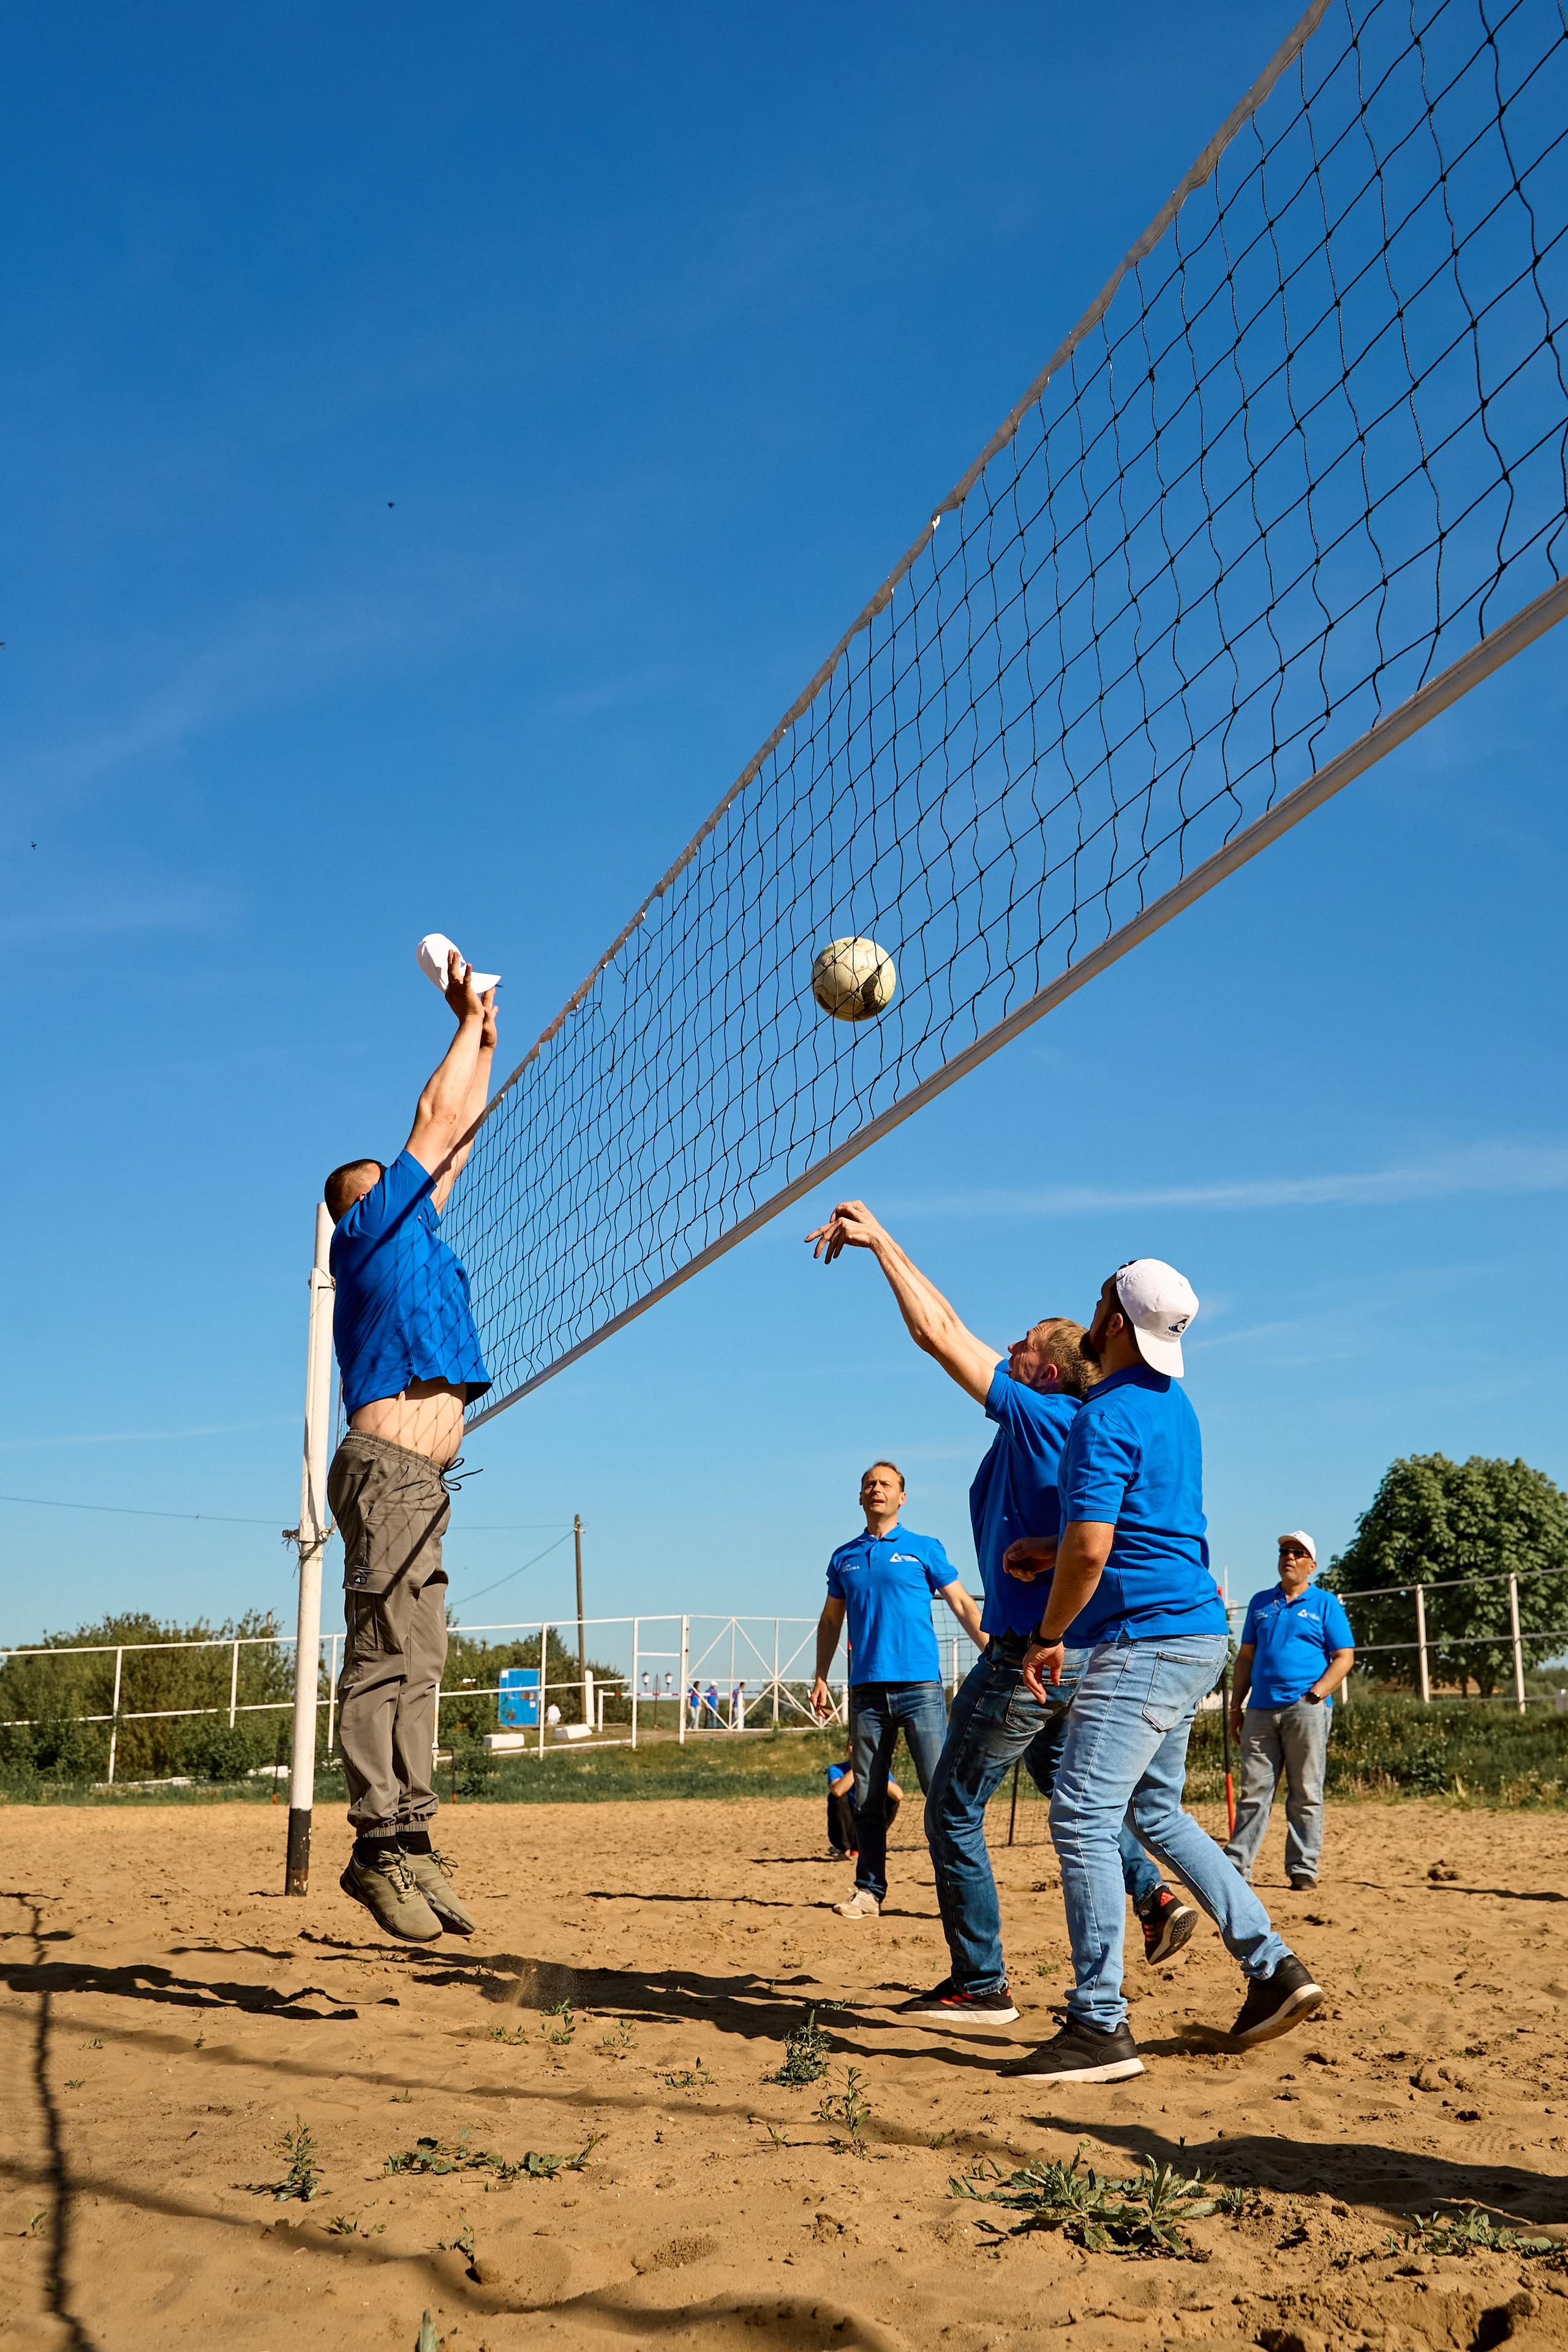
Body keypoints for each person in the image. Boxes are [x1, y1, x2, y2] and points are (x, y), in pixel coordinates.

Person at [806, 1203, 1193, 2027]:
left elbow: (940, 1332)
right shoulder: (1068, 1424)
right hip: (1071, 1650)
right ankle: (1153, 1895)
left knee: (951, 1805)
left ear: (1046, 1370)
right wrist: (1048, 1556)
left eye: (1021, 1343)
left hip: (1031, 1651)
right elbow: (1099, 1533)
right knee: (1060, 1785)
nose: (1007, 1348)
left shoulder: (1039, 1411)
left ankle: (980, 1984)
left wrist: (882, 1243)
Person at [1004, 1261, 1324, 2084]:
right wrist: (1054, 1549)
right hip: (1193, 1632)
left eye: (1102, 1296)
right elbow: (1134, 1528)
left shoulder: (1103, 1414)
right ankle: (1273, 1970)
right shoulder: (1172, 1405)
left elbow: (1094, 1548)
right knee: (1155, 1812)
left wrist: (1049, 1633)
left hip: (1144, 1641)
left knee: (1079, 1810)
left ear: (1111, 1318)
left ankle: (1099, 2024)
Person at [323, 950, 496, 1944]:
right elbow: (435, 1125)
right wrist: (458, 1025)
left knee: (422, 1657)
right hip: (388, 1472)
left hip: (422, 1484)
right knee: (386, 1652)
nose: (419, 1182)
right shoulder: (368, 1227)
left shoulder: (414, 1228)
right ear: (362, 1200)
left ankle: (412, 1837)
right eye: (395, 1180)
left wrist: (482, 1028)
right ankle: (374, 1844)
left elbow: (456, 1134)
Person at [809, 1460, 984, 1920]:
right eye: (869, 1484)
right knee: (866, 1797)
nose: (876, 1489)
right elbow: (831, 1621)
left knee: (941, 1793)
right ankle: (868, 1891)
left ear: (902, 1497)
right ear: (861, 1497)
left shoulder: (924, 1549)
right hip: (866, 1691)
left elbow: (964, 1604)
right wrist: (821, 1676)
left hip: (921, 1689)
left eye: (885, 1484)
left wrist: (996, 1654)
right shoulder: (843, 1557)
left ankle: (958, 1892)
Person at [1225, 1532, 1355, 1893]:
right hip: (1261, 1710)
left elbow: (1344, 1656)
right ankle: (1238, 1864)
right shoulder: (1261, 1603)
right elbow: (1246, 1658)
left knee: (1306, 1791)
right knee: (1254, 1790)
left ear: (1312, 1565)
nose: (1290, 1557)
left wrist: (1317, 1693)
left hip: (1306, 1710)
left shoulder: (1325, 1603)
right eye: (1285, 1551)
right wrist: (1237, 1705)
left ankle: (1302, 1868)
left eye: (1299, 1553)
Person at [826, 1755, 903, 1858]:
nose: (855, 1746)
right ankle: (845, 1848)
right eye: (851, 1744)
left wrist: (875, 1771)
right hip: (848, 1823)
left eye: (858, 1743)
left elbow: (899, 1795)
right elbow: (837, 1791)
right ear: (847, 1749)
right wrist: (857, 1769)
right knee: (836, 1798)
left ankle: (869, 1843)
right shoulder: (837, 1769)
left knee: (892, 1799)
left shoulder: (878, 1768)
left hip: (869, 1822)